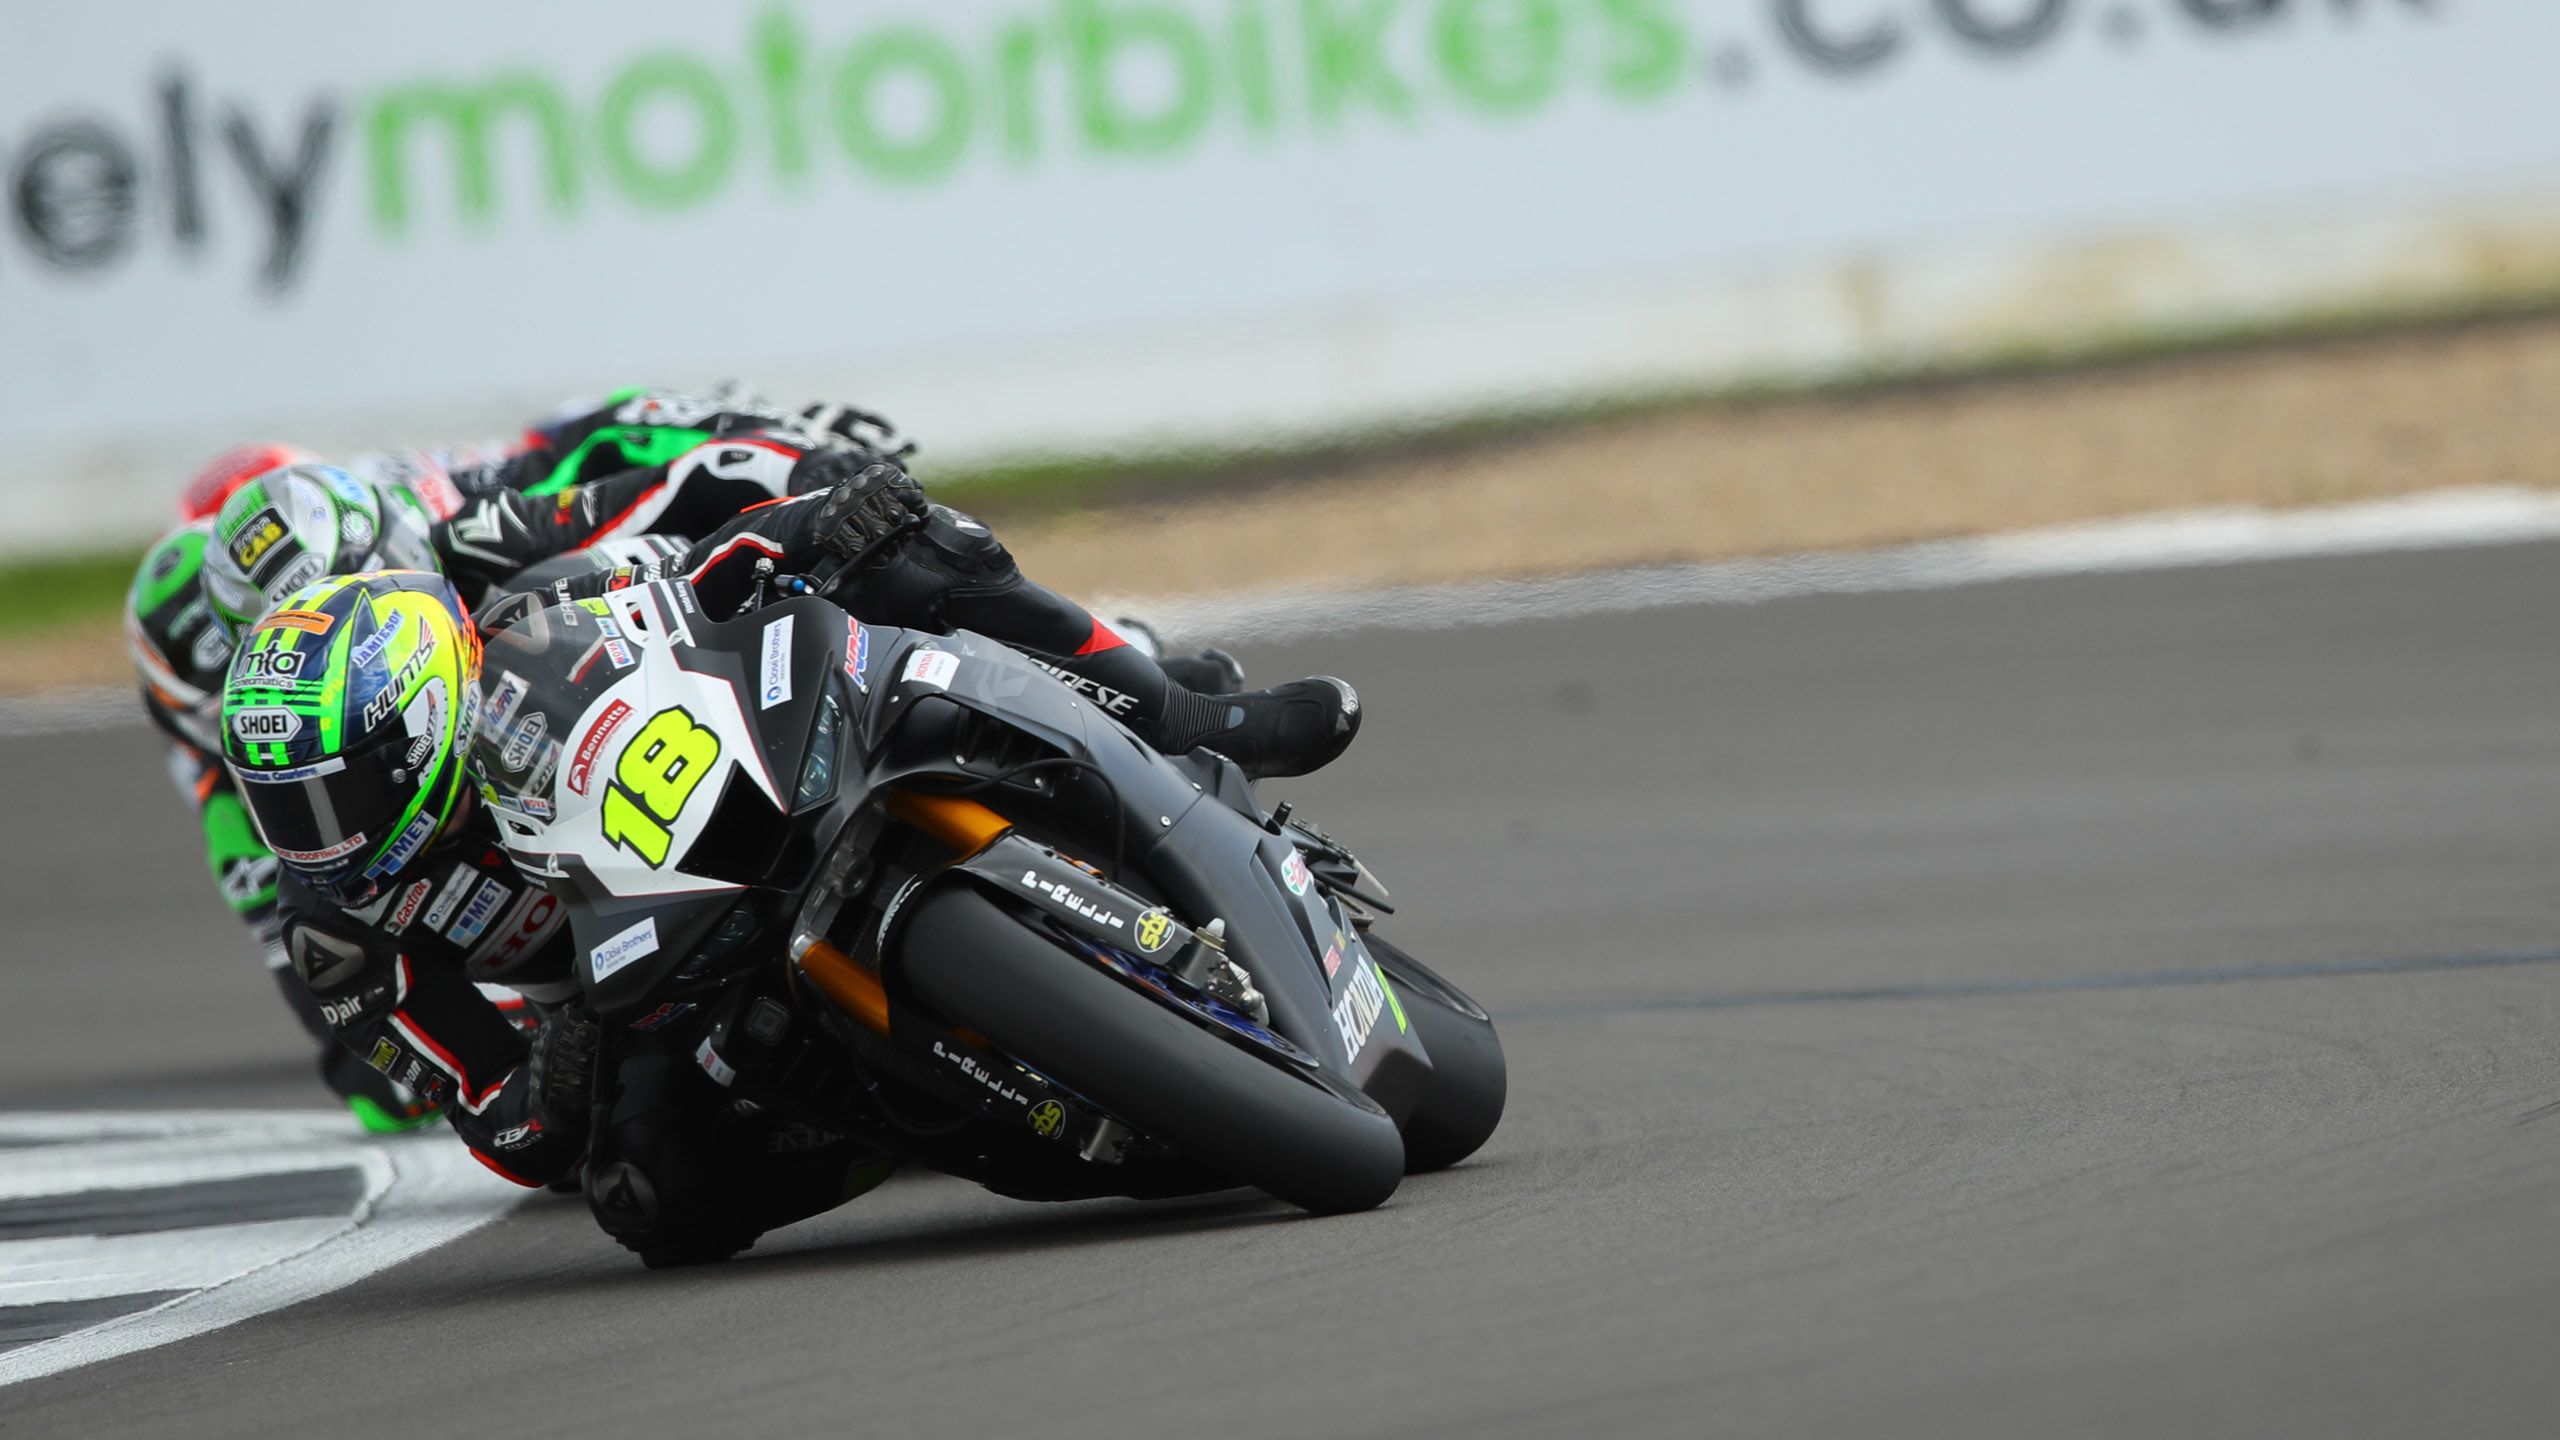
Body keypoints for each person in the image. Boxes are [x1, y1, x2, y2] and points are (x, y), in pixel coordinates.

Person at [219, 456, 1359, 1223]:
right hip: (644, 989)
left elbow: (706, 558)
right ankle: (910, 1126)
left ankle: (1180, 716)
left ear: (422, 722)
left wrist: (820, 518)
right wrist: (552, 1080)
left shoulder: (533, 608)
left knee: (909, 547)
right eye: (284, 809)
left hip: (762, 760)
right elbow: (496, 1122)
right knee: (649, 1196)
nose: (319, 840)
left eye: (335, 795)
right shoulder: (341, 938)